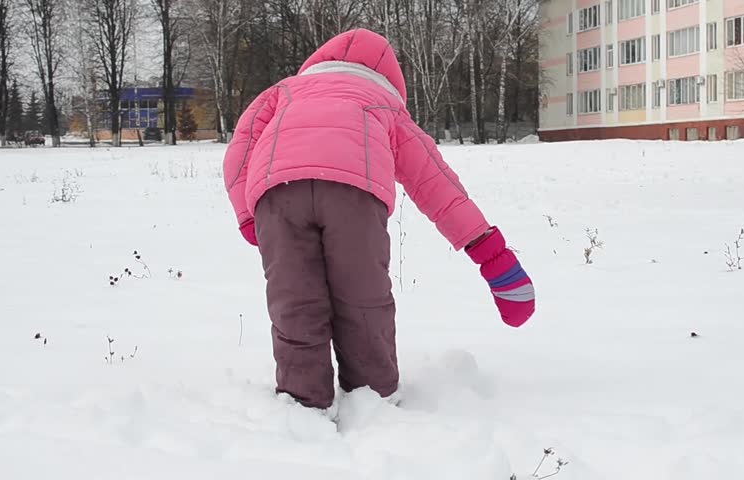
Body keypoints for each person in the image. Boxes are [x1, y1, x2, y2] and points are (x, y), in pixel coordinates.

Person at [223, 28, 535, 411]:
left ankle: (302, 404)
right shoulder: (386, 106)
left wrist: (246, 213)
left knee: (294, 300)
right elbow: (436, 183)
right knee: (363, 299)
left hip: (277, 194)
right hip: (355, 196)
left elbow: (241, 147)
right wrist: (490, 253)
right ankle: (373, 399)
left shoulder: (283, 91)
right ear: (390, 79)